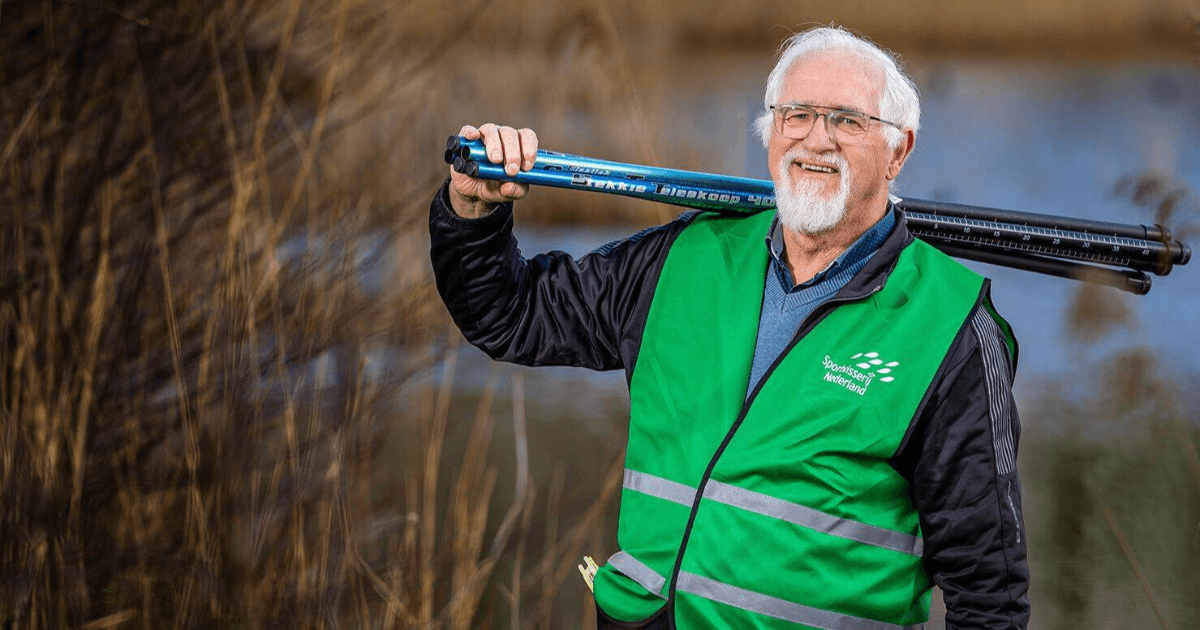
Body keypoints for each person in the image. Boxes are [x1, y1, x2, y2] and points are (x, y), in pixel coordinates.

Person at [429, 25, 1030, 630]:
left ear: (898, 150)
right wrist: (473, 210)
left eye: (848, 121)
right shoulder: (685, 257)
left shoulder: (950, 329)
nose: (817, 140)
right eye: (797, 115)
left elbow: (989, 596)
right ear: (772, 132)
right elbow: (508, 316)